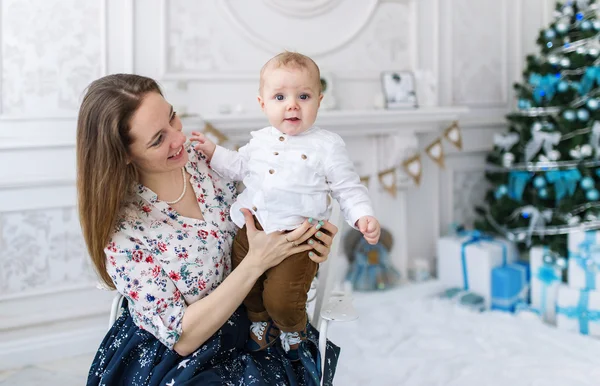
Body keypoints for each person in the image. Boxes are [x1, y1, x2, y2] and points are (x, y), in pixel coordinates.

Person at [77, 73, 340, 385]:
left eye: (173, 117)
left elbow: (278, 209)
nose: (178, 138)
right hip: (178, 352)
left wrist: (310, 243)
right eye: (158, 139)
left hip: (254, 322)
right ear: (123, 155)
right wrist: (256, 262)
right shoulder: (123, 233)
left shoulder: (209, 160)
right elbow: (182, 338)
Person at [192, 51, 381, 360]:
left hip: (299, 235)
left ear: (319, 101)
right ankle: (258, 322)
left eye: (303, 96)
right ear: (263, 103)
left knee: (283, 296)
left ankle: (293, 327)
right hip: (252, 227)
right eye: (280, 96)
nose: (292, 104)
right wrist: (214, 151)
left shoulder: (327, 145)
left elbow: (347, 187)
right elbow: (239, 166)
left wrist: (363, 215)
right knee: (246, 285)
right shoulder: (261, 140)